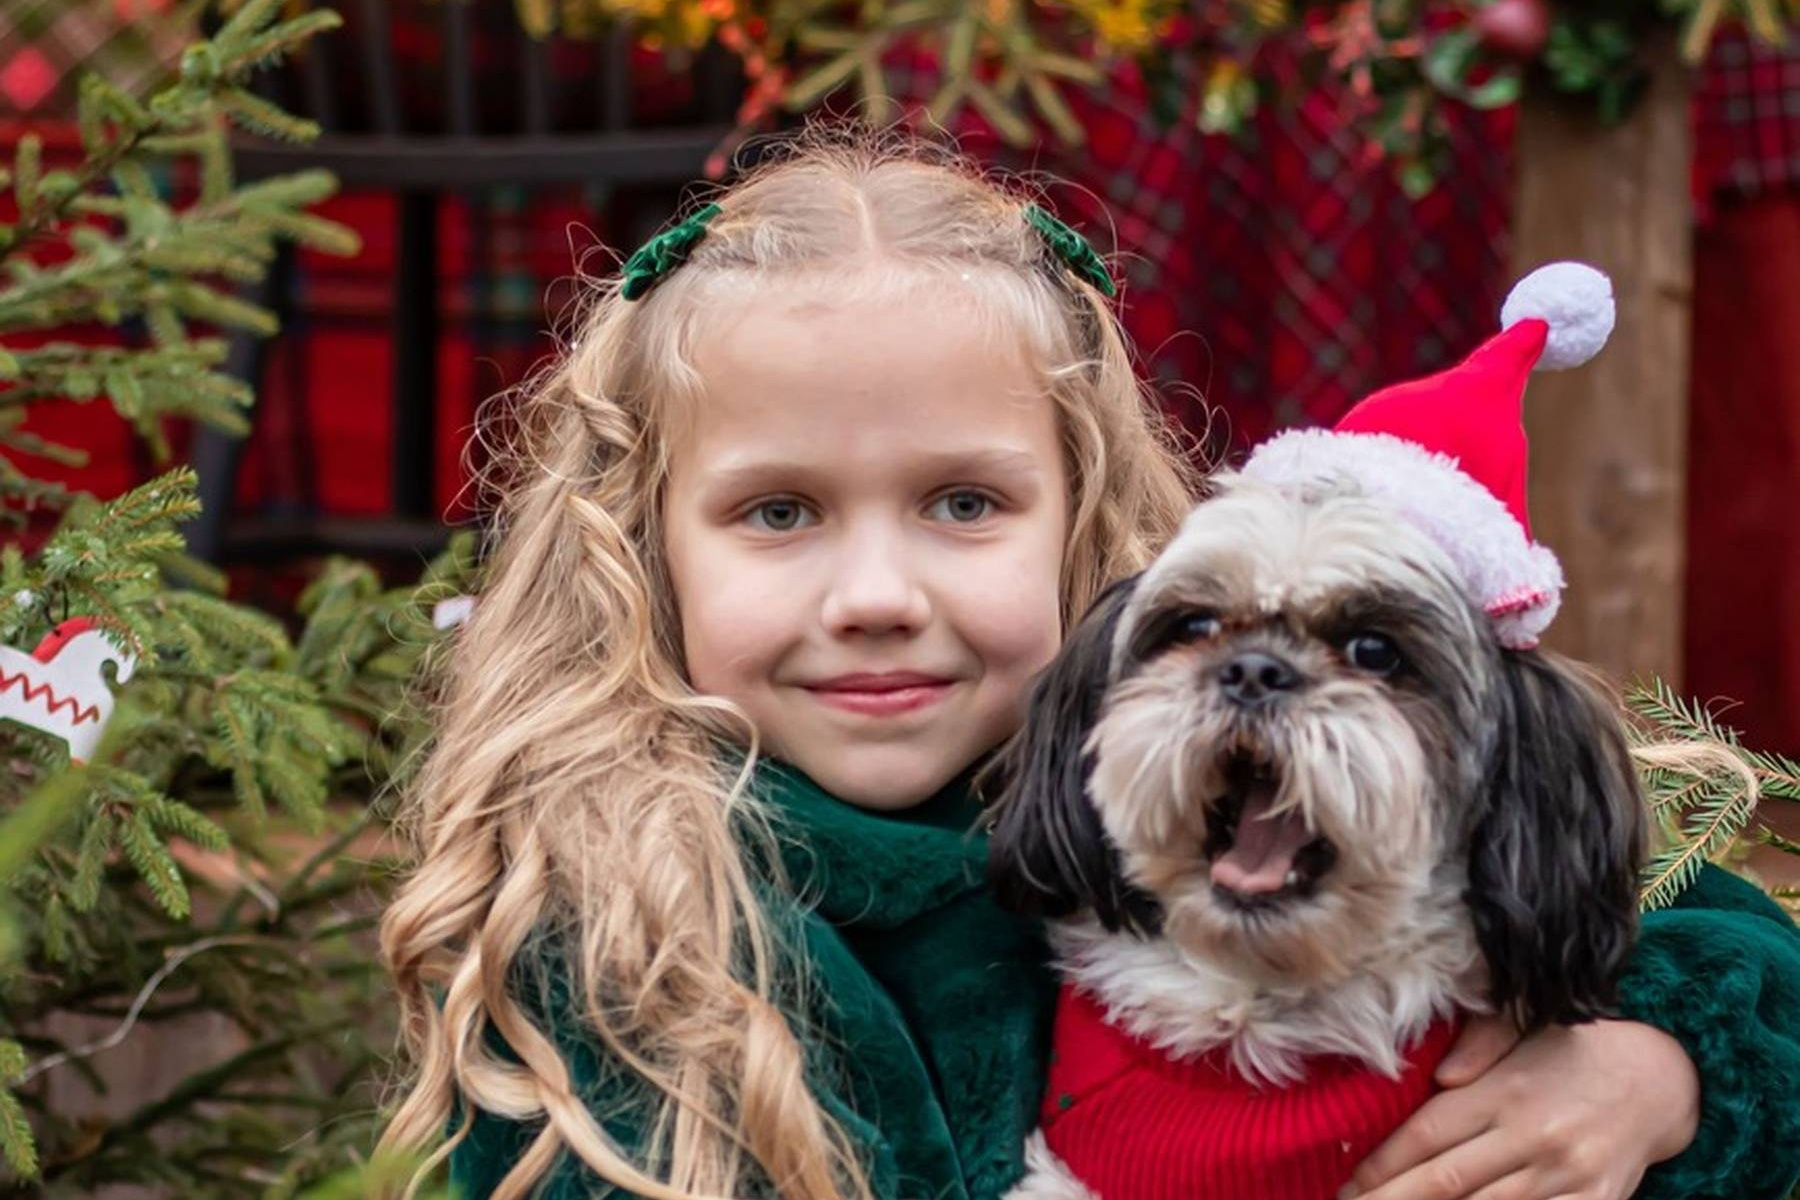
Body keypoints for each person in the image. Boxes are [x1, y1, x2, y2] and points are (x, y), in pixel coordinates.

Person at [376, 129, 1800, 1200]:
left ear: (1083, 516)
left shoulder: (1190, 724)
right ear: (647, 547)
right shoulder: (616, 917)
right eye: (780, 513)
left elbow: (1717, 931)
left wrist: (1659, 1073)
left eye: (963, 503)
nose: (876, 598)